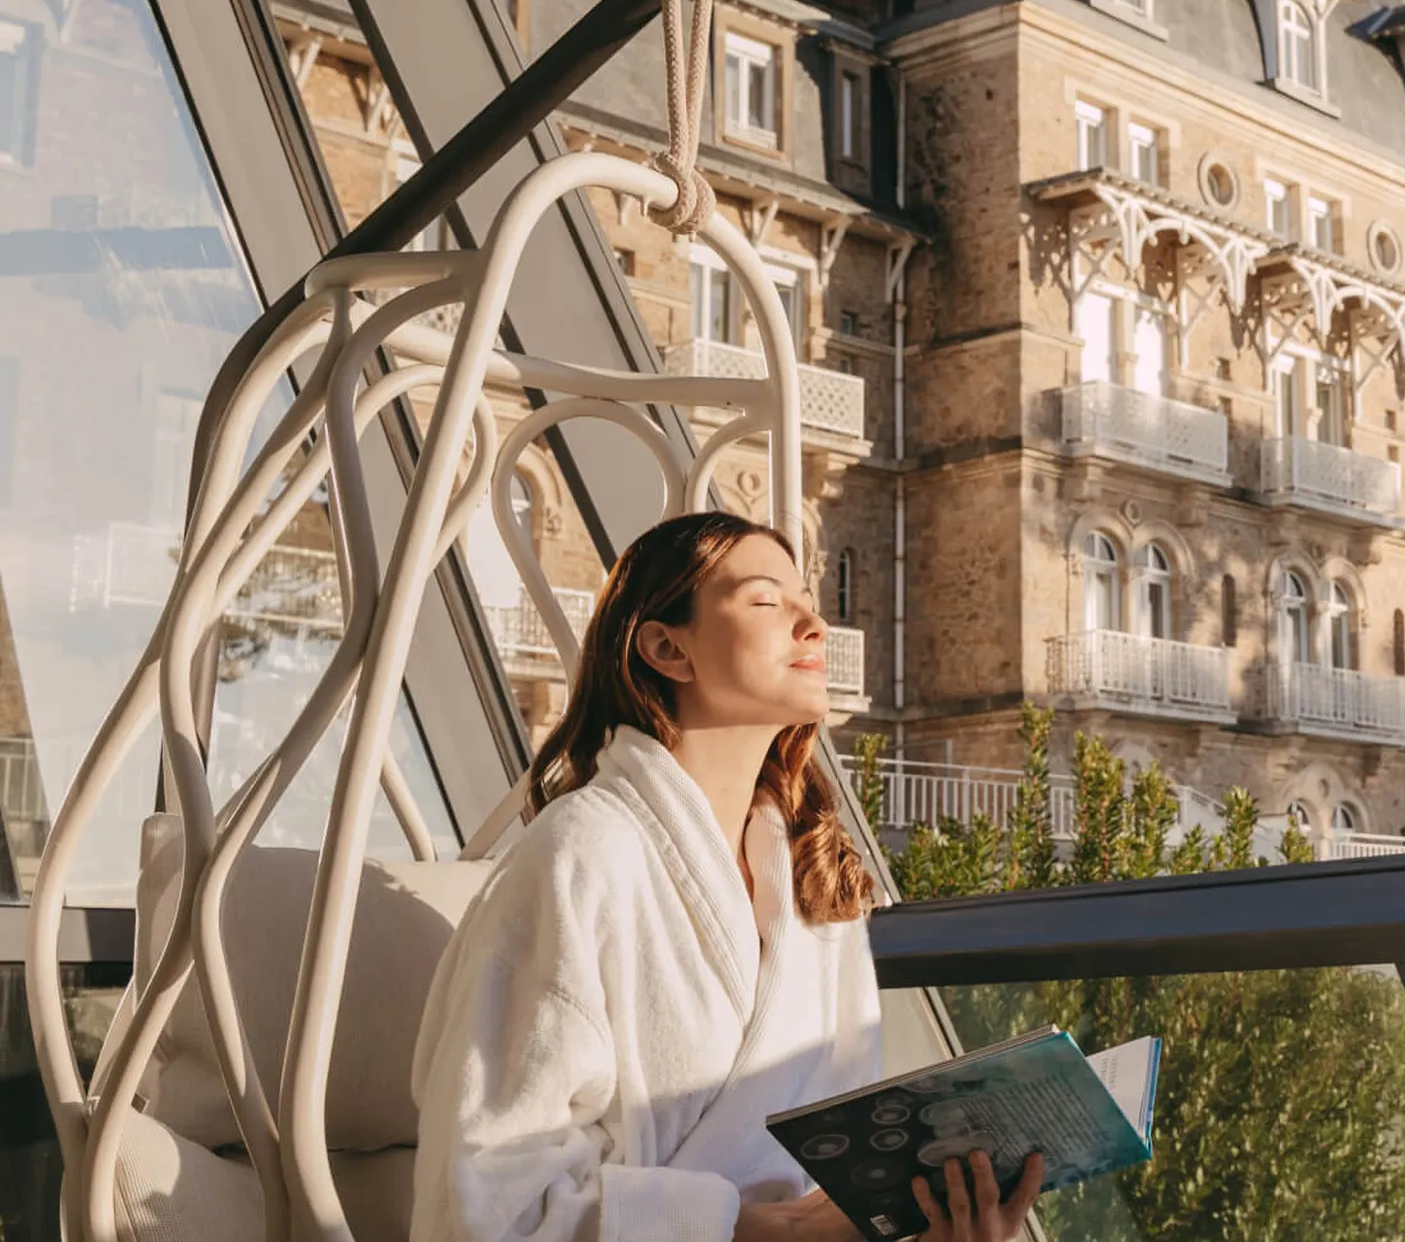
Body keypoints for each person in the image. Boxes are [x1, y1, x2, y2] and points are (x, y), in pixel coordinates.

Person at [411, 511, 1042, 1241]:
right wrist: (748, 1231)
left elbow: (833, 1183)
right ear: (666, 647)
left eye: (810, 602)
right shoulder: (581, 856)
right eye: (768, 600)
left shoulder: (813, 880)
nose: (815, 626)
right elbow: (485, 1200)